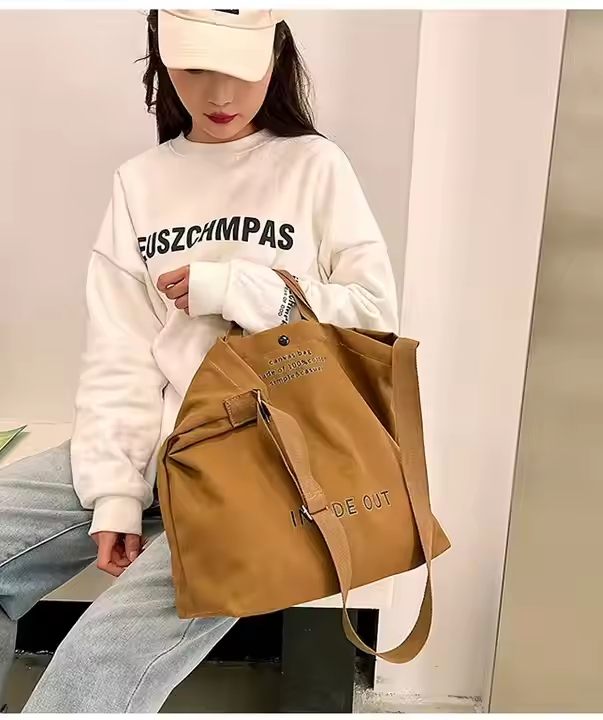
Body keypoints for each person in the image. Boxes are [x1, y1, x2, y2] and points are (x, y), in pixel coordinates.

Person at [0, 9, 397, 713]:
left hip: (278, 463)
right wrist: (116, 492)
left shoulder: (314, 166)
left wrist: (238, 287)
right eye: (194, 69)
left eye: (239, 70)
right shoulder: (141, 181)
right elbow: (121, 351)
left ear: (275, 57)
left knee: (98, 656)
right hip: (166, 442)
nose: (219, 95)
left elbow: (374, 321)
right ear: (162, 62)